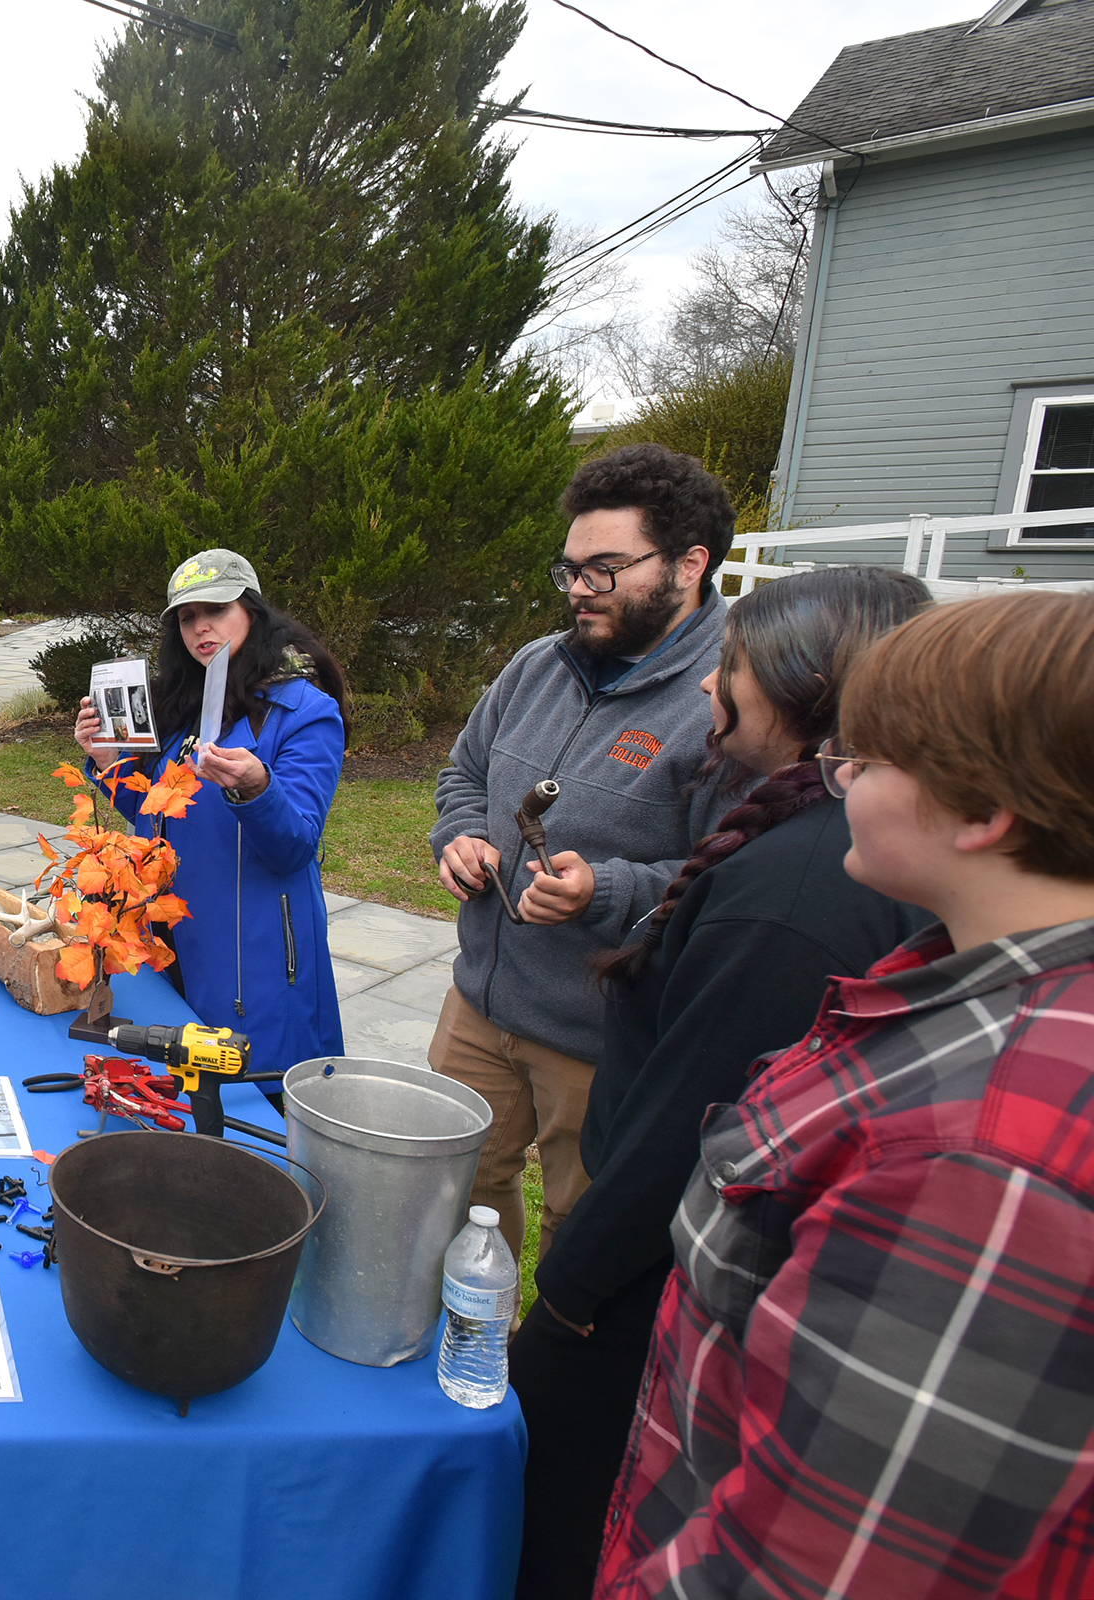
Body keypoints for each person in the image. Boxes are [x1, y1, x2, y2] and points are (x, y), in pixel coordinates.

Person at [598, 589, 1094, 1597]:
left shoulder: (982, 1163)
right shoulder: (975, 990)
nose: (839, 775)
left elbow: (815, 1564)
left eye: (865, 758)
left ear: (985, 813)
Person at [510, 567, 933, 1598]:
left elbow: (689, 1132)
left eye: (732, 666)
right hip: (675, 1275)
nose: (710, 684)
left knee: (567, 1515)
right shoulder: (806, 840)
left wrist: (566, 1300)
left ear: (799, 687)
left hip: (646, 1288)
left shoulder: (791, 896)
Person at [428, 443, 747, 1264]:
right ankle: (472, 1327)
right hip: (481, 1003)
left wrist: (605, 891)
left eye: (604, 569)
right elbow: (466, 774)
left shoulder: (728, 696)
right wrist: (460, 835)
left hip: (605, 1037)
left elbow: (733, 876)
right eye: (570, 569)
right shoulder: (538, 665)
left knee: (583, 1232)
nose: (577, 589)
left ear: (688, 565)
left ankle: (549, 1349)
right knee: (453, 1191)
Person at [71, 549, 347, 1075]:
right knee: (180, 1082)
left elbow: (295, 846)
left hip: (253, 955)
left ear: (252, 612)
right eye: (187, 616)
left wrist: (258, 788)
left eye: (216, 610)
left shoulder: (306, 713)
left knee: (253, 1096)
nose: (201, 627)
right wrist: (108, 763)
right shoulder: (184, 707)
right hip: (172, 939)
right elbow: (154, 815)